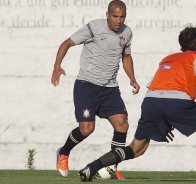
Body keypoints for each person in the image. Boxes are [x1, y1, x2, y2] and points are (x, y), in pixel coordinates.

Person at [78, 25, 196, 183]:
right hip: (177, 102)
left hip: (151, 101)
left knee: (136, 148)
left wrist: (165, 120)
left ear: (181, 44)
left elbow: (157, 87)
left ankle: (91, 168)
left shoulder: (168, 59)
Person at [51, 0, 140, 179]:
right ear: (107, 14)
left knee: (122, 124)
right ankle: (63, 152)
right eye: (115, 16)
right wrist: (57, 66)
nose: (118, 20)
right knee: (86, 129)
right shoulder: (93, 28)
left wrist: (132, 78)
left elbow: (127, 57)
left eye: (122, 17)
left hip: (110, 89)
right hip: (87, 86)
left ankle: (111, 168)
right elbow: (66, 43)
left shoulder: (127, 32)